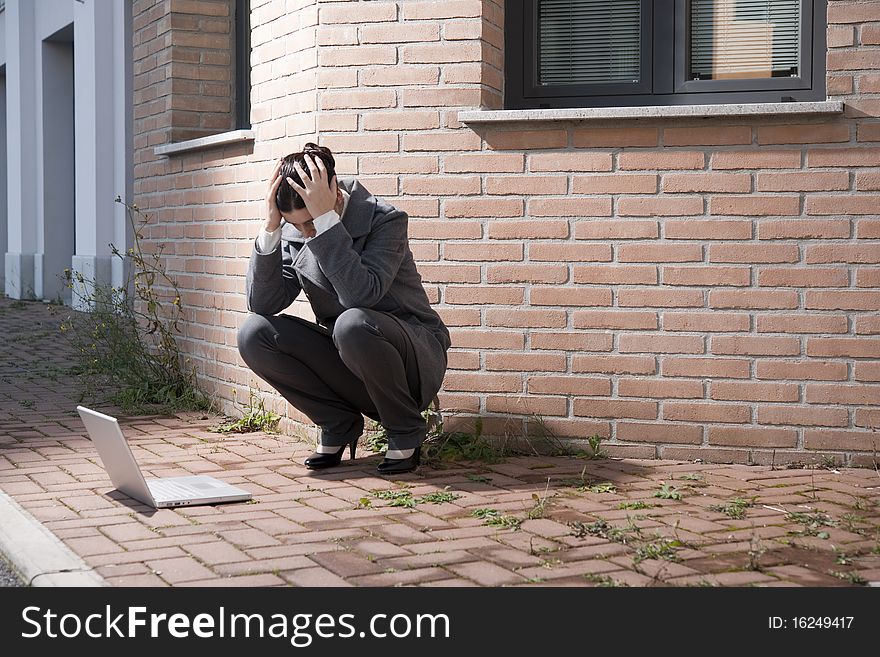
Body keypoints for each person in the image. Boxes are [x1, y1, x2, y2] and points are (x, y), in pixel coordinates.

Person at [237, 143, 450, 475]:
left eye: (309, 222)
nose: (304, 233)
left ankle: (405, 429)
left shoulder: (385, 220)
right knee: (254, 333)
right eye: (297, 225)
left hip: (410, 359)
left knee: (351, 322)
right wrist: (271, 228)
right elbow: (262, 303)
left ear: (333, 193)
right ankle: (338, 423)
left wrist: (325, 224)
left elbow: (360, 295)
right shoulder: (296, 229)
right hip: (349, 356)